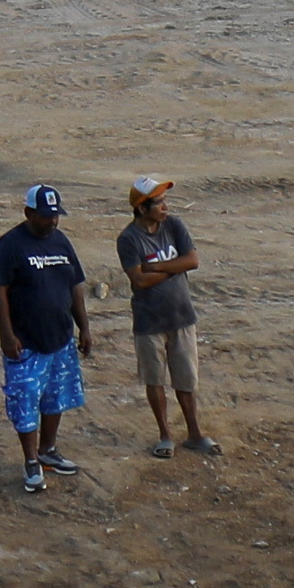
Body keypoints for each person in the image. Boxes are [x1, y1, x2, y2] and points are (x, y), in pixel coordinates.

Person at [0, 185, 94, 495]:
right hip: (26, 341)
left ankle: (48, 450)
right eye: (46, 216)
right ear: (28, 213)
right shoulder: (9, 246)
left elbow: (75, 285)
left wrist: (83, 327)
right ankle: (31, 461)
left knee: (55, 396)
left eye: (56, 215)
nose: (53, 222)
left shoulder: (61, 241)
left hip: (60, 337)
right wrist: (7, 334)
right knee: (25, 399)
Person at [113, 178, 215, 455]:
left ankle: (194, 433)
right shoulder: (128, 239)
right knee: (155, 380)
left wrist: (156, 266)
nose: (165, 207)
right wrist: (175, 267)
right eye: (158, 203)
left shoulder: (174, 225)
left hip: (180, 316)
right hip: (150, 321)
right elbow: (139, 281)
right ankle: (165, 435)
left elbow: (192, 261)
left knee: (185, 379)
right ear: (142, 208)